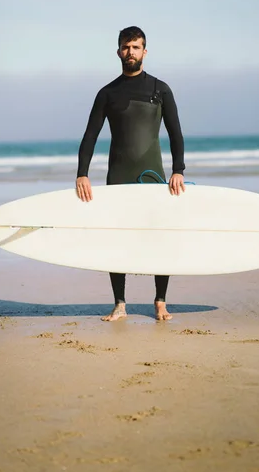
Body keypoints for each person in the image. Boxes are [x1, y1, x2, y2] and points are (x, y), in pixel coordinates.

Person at [76, 26, 185, 321]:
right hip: (119, 177)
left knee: (159, 236)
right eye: (126, 47)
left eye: (136, 47)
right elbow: (90, 136)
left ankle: (160, 301)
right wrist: (82, 174)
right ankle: (120, 304)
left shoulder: (160, 89)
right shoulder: (107, 93)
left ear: (144, 52)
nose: (130, 52)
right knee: (117, 238)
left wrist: (178, 170)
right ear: (118, 51)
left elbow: (175, 133)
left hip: (153, 177)